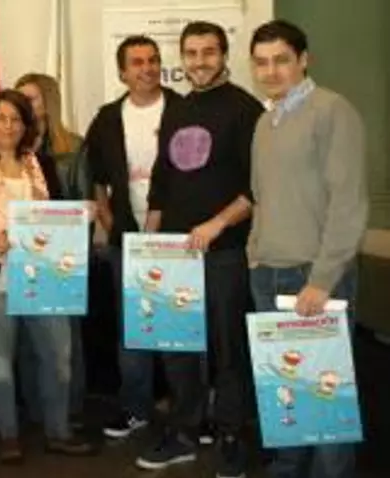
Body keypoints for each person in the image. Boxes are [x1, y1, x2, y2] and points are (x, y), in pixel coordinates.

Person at [136, 21, 264, 478]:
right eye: (191, 53)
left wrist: (216, 224)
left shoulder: (246, 109)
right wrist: (149, 241)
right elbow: (162, 182)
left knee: (228, 349)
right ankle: (185, 433)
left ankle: (231, 436)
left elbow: (256, 188)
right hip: (174, 254)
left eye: (209, 52)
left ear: (224, 55)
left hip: (225, 252)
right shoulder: (177, 108)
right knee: (178, 348)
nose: (199, 62)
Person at [0, 89, 94, 464]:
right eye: (1, 118)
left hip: (45, 278)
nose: (9, 126)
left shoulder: (42, 165)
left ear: (26, 125)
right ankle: (9, 435)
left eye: (16, 119)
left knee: (59, 358)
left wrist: (81, 214)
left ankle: (58, 432)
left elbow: (58, 216)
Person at [248, 19, 368, 478]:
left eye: (281, 60)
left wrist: (322, 279)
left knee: (326, 396)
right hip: (268, 273)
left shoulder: (332, 110)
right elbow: (261, 196)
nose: (271, 71)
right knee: (285, 392)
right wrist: (255, 252)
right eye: (261, 62)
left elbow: (348, 203)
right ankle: (287, 467)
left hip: (313, 277)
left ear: (303, 60)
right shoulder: (266, 121)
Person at [85, 35, 183, 439]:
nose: (147, 68)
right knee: (133, 330)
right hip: (126, 239)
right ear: (122, 72)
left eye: (152, 60)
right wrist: (109, 222)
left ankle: (187, 412)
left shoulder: (182, 110)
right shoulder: (108, 118)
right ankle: (135, 408)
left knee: (180, 327)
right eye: (137, 62)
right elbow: (96, 178)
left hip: (177, 239)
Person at [13, 73, 89, 428]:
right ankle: (35, 411)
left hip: (63, 256)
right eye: (20, 99)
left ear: (49, 102)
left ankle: (70, 410)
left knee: (66, 341)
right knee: (28, 340)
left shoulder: (73, 147)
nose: (26, 105)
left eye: (32, 98)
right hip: (23, 256)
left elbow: (84, 200)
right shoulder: (10, 149)